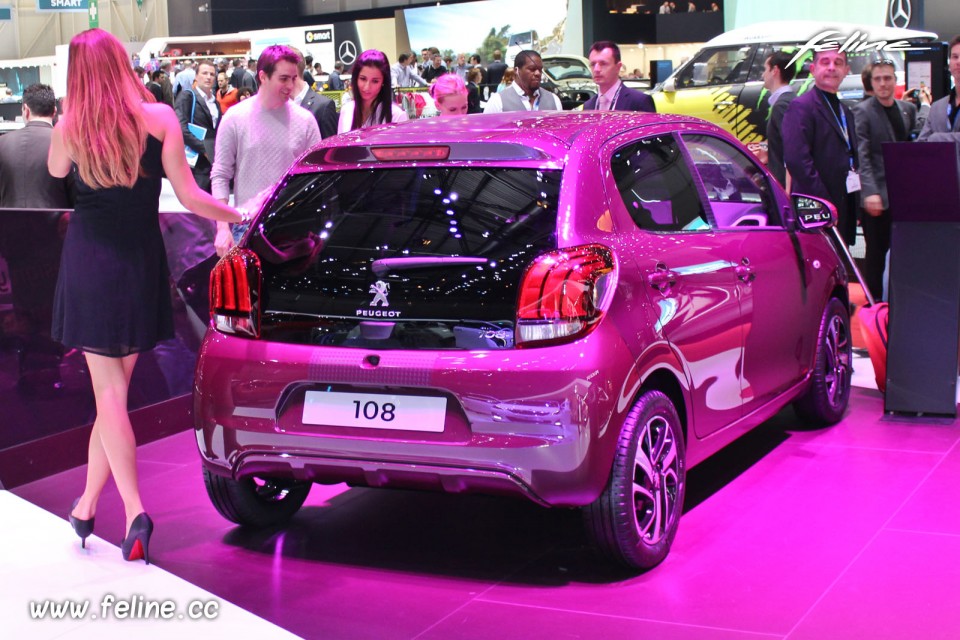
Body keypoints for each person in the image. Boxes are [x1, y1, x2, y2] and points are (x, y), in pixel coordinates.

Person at [49, 29, 241, 562]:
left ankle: (134, 512)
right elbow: (190, 195)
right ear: (120, 64)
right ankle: (86, 506)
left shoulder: (70, 127)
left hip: (89, 263)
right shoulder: (157, 118)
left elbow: (55, 172)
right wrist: (238, 214)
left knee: (109, 398)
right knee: (113, 399)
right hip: (139, 262)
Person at [212, 45, 321, 253]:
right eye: (283, 78)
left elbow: (315, 180)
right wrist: (222, 227)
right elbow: (220, 175)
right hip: (245, 227)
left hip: (293, 228)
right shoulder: (234, 118)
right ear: (263, 76)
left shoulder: (306, 121)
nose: (290, 85)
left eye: (293, 78)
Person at [854, 57, 921, 300]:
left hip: (903, 196)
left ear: (895, 81)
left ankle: (900, 299)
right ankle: (874, 303)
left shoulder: (908, 110)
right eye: (878, 79)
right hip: (876, 197)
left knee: (904, 252)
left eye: (888, 78)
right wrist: (869, 192)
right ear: (871, 83)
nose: (883, 83)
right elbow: (862, 155)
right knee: (876, 254)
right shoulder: (862, 112)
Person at [783, 49, 860, 246]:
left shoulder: (846, 111)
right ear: (813, 69)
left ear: (846, 70)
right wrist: (825, 204)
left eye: (838, 62)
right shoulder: (801, 107)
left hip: (843, 204)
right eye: (825, 62)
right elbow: (797, 161)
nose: (832, 67)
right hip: (817, 209)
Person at [175, 59, 221, 193]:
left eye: (212, 74)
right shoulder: (187, 96)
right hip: (195, 161)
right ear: (196, 76)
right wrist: (205, 149)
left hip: (213, 161)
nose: (208, 77)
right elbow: (181, 128)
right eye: (204, 73)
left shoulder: (215, 102)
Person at [338, 49, 409, 133]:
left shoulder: (397, 116)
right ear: (356, 78)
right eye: (363, 79)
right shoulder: (346, 110)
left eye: (375, 81)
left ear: (383, 82)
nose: (367, 87)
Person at [582, 41, 656, 112]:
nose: (596, 69)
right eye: (593, 64)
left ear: (618, 67)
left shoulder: (639, 101)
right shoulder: (588, 106)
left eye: (603, 64)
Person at [484, 50, 562, 113]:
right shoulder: (497, 102)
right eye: (532, 69)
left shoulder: (554, 100)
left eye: (540, 70)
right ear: (516, 71)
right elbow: (487, 131)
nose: (538, 73)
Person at [761, 50, 796, 186]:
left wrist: (787, 191)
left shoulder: (782, 105)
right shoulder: (788, 101)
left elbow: (791, 149)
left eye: (765, 69)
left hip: (782, 184)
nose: (763, 74)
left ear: (775, 70)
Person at [917, 35, 960, 142]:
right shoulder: (937, 107)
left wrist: (936, 138)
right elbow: (922, 143)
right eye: (955, 57)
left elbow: (930, 139)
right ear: (949, 64)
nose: (959, 62)